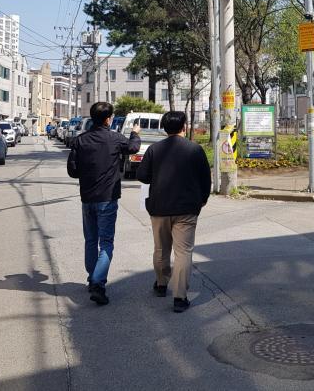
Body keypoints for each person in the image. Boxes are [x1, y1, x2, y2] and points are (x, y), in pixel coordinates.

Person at [137, 111, 211, 313]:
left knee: (161, 248)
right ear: (184, 126)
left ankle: (161, 284)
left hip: (159, 207)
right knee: (183, 252)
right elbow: (205, 179)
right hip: (187, 208)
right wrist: (202, 199)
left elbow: (142, 176)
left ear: (164, 128)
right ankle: (179, 297)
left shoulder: (154, 149)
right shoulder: (195, 149)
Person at [67, 102, 141, 305]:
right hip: (107, 198)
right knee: (106, 242)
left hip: (87, 197)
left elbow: (72, 171)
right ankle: (98, 284)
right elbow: (133, 148)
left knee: (91, 240)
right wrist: (135, 133)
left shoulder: (81, 140)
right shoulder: (115, 138)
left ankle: (92, 278)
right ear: (108, 119)